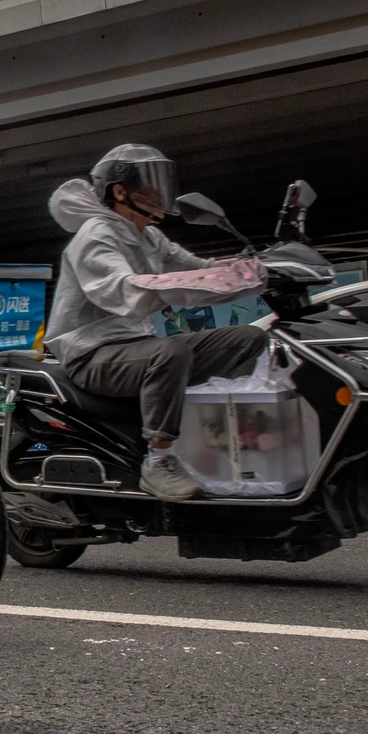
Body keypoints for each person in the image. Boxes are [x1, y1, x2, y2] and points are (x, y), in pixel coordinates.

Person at [45, 144, 268, 501]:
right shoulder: (95, 235)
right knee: (171, 352)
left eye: (162, 181)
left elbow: (196, 268)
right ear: (120, 191)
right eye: (150, 183)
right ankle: (159, 461)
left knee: (248, 339)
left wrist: (254, 268)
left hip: (136, 350)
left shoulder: (149, 236)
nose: (161, 192)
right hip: (92, 356)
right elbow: (121, 289)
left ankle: (217, 439)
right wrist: (178, 284)